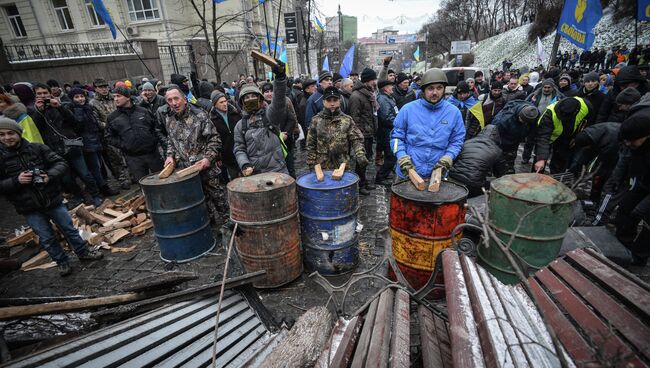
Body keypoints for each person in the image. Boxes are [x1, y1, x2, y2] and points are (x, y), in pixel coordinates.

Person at [0, 118, 103, 276]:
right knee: (46, 237)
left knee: (69, 229)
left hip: (52, 198)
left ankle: (83, 252)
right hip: (28, 206)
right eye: (2, 134)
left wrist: (49, 175)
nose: (7, 137)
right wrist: (16, 181)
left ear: (18, 133)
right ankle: (62, 263)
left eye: (10, 133)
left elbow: (60, 163)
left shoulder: (37, 148)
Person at [30, 83, 103, 207]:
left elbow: (74, 122)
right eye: (39, 94)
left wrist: (59, 107)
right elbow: (36, 129)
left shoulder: (62, 106)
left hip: (72, 144)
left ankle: (96, 195)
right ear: (35, 96)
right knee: (66, 178)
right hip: (54, 149)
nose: (43, 96)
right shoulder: (33, 111)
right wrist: (39, 112)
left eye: (45, 93)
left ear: (50, 93)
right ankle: (78, 196)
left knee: (84, 173)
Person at [163, 86, 226, 224]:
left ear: (184, 99)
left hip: (206, 169)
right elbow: (171, 141)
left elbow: (215, 139)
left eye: (176, 98)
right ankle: (210, 228)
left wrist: (208, 158)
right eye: (170, 100)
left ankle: (230, 226)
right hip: (186, 173)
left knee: (219, 200)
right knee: (200, 203)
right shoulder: (169, 119)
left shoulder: (200, 115)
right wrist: (169, 156)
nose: (174, 103)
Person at [391, 68, 465, 179]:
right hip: (408, 172)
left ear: (444, 89)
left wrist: (449, 157)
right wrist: (402, 157)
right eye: (430, 88)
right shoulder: (408, 110)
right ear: (423, 90)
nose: (435, 92)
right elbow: (396, 137)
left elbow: (457, 140)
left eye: (439, 88)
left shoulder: (454, 113)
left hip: (437, 173)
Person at [602, 98, 650, 265]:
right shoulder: (633, 141)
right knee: (625, 209)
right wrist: (619, 181)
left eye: (633, 141)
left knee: (645, 219)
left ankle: (639, 256)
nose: (629, 144)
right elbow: (625, 161)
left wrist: (643, 207)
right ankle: (622, 247)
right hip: (641, 179)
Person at [233, 59, 289, 176]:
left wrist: (280, 78)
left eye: (253, 96)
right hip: (256, 175)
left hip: (278, 171)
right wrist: (245, 164)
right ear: (242, 102)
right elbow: (239, 148)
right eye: (246, 98)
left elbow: (278, 103)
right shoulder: (240, 125)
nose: (250, 99)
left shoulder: (269, 115)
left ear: (260, 99)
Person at [68, 87, 118, 197]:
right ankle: (101, 189)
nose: (80, 99)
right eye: (77, 97)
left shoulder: (88, 108)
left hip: (95, 141)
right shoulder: (75, 111)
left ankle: (102, 187)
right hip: (86, 144)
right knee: (94, 168)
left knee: (99, 166)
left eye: (81, 96)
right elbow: (79, 124)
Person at [106, 86, 164, 181]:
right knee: (143, 184)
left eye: (118, 96)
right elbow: (109, 137)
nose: (116, 99)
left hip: (152, 154)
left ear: (128, 97)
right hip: (133, 158)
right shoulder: (112, 117)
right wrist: (124, 145)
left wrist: (152, 141)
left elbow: (156, 128)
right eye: (114, 96)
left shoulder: (143, 111)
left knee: (162, 180)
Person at [305, 86, 367, 173]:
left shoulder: (347, 120)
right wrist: (311, 163)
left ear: (339, 101)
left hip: (342, 166)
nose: (332, 103)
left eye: (335, 100)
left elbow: (356, 139)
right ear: (323, 102)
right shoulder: (316, 120)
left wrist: (360, 153)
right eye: (329, 101)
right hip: (322, 166)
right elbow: (310, 143)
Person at [533, 96, 594, 174]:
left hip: (567, 138)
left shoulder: (586, 107)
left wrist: (577, 137)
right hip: (550, 137)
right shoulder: (549, 114)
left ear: (576, 111)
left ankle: (556, 181)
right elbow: (543, 137)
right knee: (539, 162)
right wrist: (541, 158)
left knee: (560, 163)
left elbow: (588, 124)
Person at [90, 78, 131, 190]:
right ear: (96, 89)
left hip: (123, 131)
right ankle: (122, 180)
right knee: (115, 159)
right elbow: (96, 121)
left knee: (128, 154)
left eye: (105, 86)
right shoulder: (93, 103)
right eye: (101, 87)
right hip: (108, 134)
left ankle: (132, 175)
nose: (104, 89)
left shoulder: (114, 98)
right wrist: (109, 126)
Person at [448, 125, 505, 197]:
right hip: (472, 184)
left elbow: (454, 160)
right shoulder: (497, 150)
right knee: (492, 185)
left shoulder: (467, 142)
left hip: (453, 177)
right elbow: (500, 174)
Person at [349, 67, 378, 195]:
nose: (375, 82)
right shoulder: (356, 96)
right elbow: (354, 119)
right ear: (367, 81)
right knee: (360, 161)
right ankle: (359, 185)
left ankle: (364, 182)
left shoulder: (368, 94)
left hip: (369, 132)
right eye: (373, 80)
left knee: (366, 160)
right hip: (362, 135)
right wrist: (360, 135)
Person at [260, 82, 298, 177]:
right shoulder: (260, 108)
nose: (269, 94)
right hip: (270, 146)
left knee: (290, 168)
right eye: (266, 92)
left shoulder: (282, 103)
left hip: (286, 143)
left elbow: (291, 119)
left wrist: (287, 133)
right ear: (262, 93)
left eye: (271, 91)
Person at [491, 101, 540, 174]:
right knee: (495, 166)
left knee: (508, 169)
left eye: (526, 122)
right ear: (519, 115)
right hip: (500, 144)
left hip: (514, 143)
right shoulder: (503, 120)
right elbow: (492, 136)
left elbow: (534, 131)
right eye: (522, 120)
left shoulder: (534, 114)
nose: (524, 122)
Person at [210, 90, 241, 181]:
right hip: (226, 157)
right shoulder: (212, 119)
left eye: (225, 101)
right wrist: (217, 157)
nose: (225, 104)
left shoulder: (235, 112)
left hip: (239, 151)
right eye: (221, 102)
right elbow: (212, 139)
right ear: (215, 104)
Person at [375, 79, 397, 186]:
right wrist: (398, 123)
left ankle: (385, 173)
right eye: (390, 86)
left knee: (391, 155)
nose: (392, 87)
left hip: (390, 130)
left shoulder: (388, 98)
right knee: (391, 156)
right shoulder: (383, 99)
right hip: (387, 131)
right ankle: (380, 177)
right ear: (385, 88)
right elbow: (386, 117)